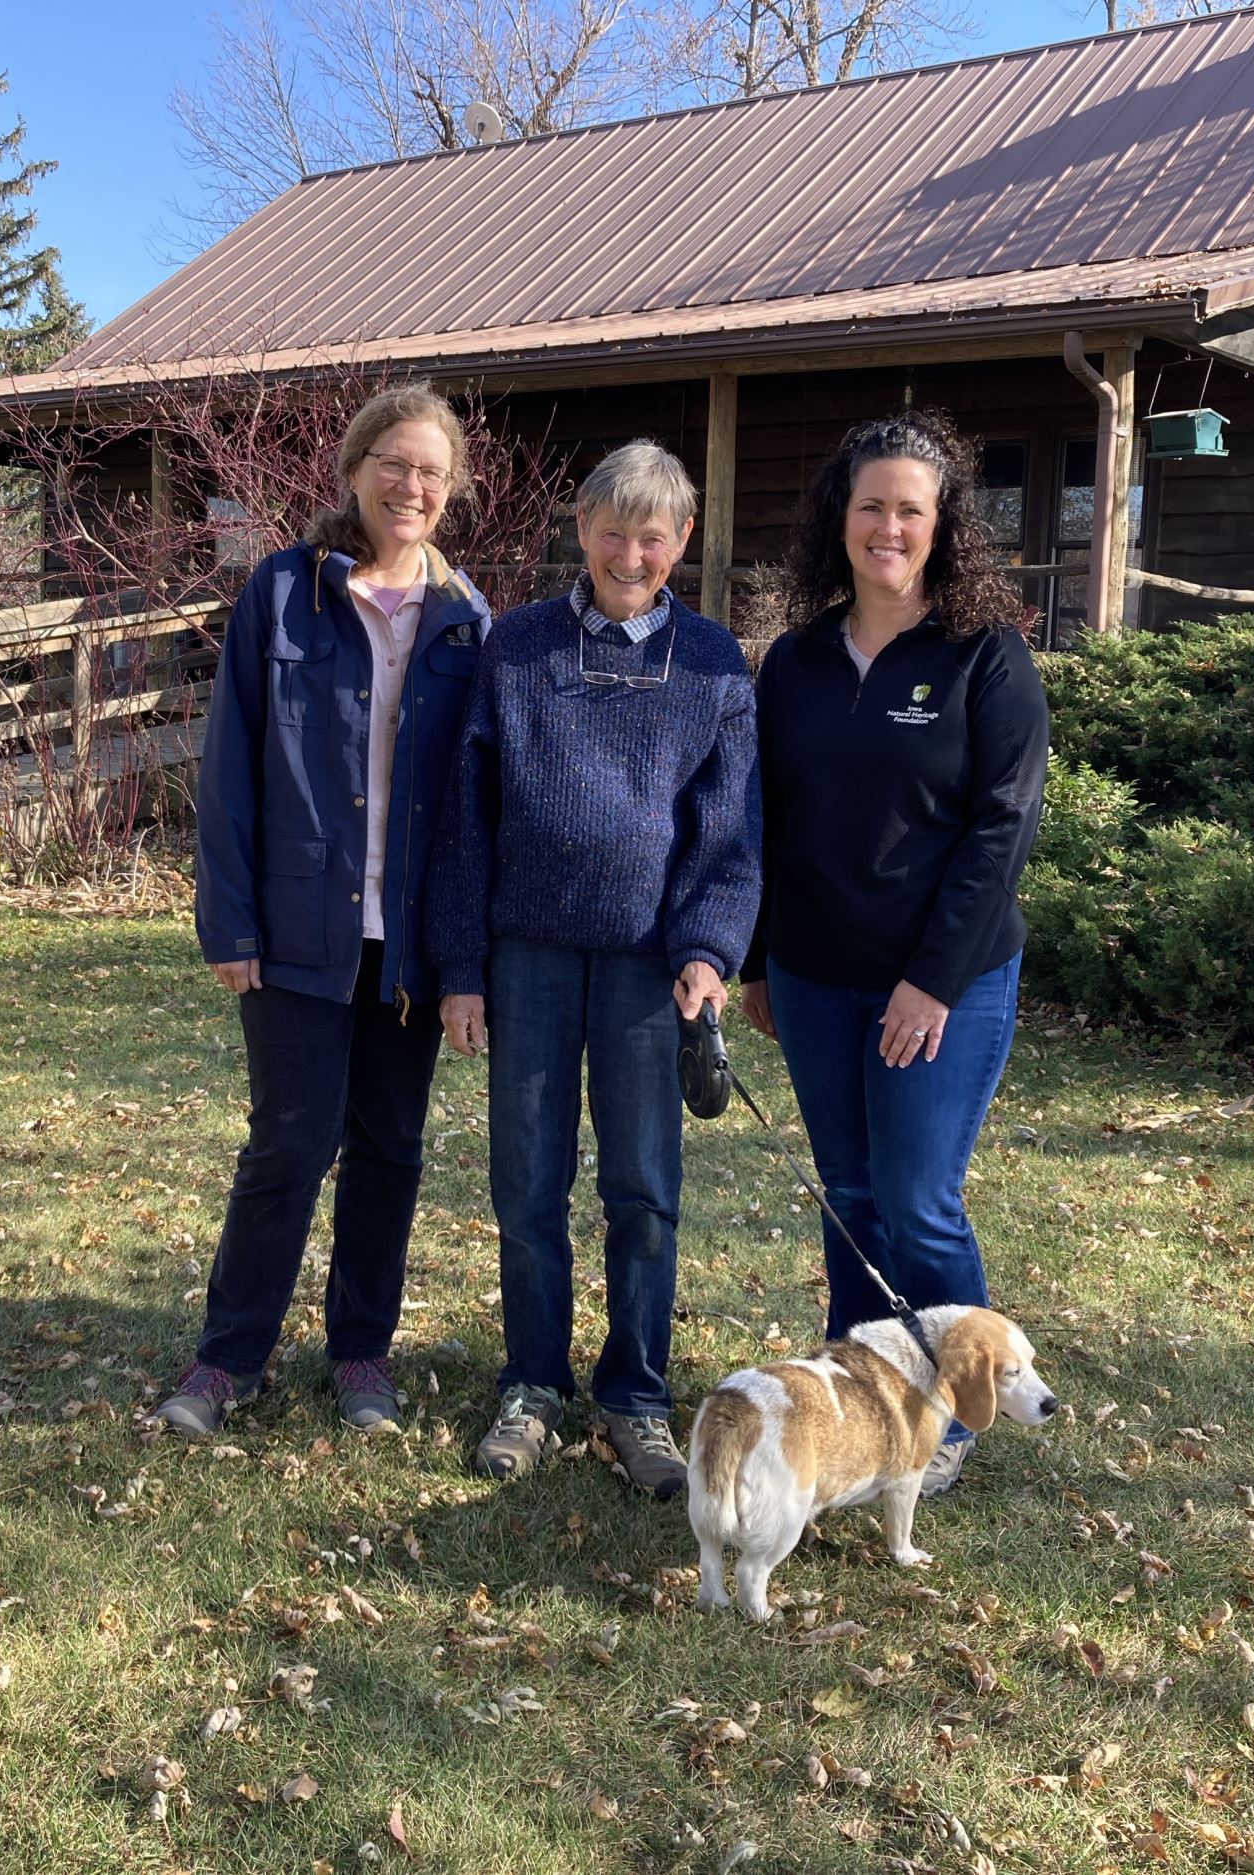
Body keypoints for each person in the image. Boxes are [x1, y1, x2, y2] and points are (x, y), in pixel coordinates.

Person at [154, 385, 493, 1439]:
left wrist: (465, 959)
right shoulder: (283, 594)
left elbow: (479, 806)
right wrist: (231, 924)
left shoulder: (466, 621)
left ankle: (360, 1355)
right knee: (289, 1145)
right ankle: (229, 1357)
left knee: (389, 1150)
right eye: (394, 463)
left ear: (452, 492)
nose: (412, 486)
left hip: (410, 944)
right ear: (353, 471)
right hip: (298, 929)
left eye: (432, 471)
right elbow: (228, 770)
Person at [427, 440, 760, 1499]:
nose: (629, 553)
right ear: (580, 531)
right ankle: (532, 1384)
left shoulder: (711, 665)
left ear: (681, 542)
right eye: (611, 531)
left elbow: (729, 832)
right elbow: (465, 823)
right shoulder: (515, 647)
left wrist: (709, 950)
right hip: (523, 958)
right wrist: (460, 965)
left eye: (651, 535)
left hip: (646, 969)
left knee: (642, 1191)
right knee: (526, 1185)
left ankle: (635, 1398)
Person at [737, 414, 1049, 1498]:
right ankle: (861, 1400)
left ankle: (955, 1421)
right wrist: (760, 960)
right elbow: (769, 820)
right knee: (851, 1197)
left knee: (916, 1198)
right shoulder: (797, 661)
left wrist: (931, 981)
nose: (887, 526)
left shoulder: (984, 654)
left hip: (944, 979)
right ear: (841, 515)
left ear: (942, 524)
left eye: (909, 509)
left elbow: (1000, 830)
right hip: (817, 976)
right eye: (870, 505)